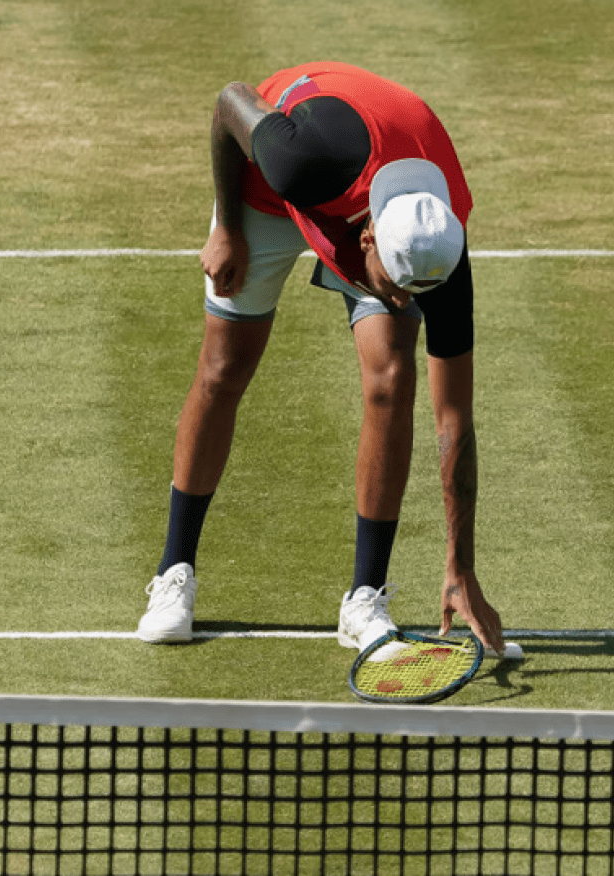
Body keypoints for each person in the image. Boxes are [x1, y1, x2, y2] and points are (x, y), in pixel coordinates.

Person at [136, 61, 509, 658]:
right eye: (396, 289)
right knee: (224, 368)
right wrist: (228, 226)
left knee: (394, 375)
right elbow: (229, 102)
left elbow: (453, 420)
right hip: (268, 192)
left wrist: (459, 566)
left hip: (362, 190)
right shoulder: (300, 161)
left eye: (419, 292)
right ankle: (173, 571)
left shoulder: (437, 248)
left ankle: (366, 599)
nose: (406, 302)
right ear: (366, 241)